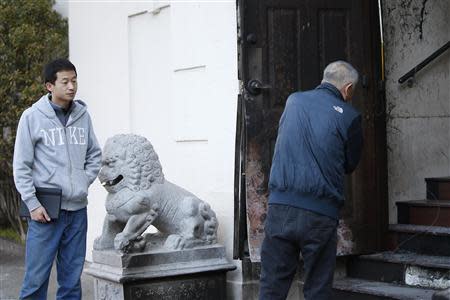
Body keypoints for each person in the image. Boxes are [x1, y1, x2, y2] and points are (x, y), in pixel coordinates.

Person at [258, 61, 363, 300]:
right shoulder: (350, 117)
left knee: (271, 286)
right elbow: (350, 164)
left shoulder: (293, 101)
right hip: (321, 213)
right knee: (317, 288)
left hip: (281, 209)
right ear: (347, 89)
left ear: (325, 79)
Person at [13, 58, 102, 299]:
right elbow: (21, 166)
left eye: (74, 81)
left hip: (77, 212)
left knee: (72, 282)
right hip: (45, 213)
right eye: (65, 81)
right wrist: (32, 203)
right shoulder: (32, 117)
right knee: (35, 282)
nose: (72, 86)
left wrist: (83, 180)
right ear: (49, 86)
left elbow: (94, 154)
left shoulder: (83, 115)